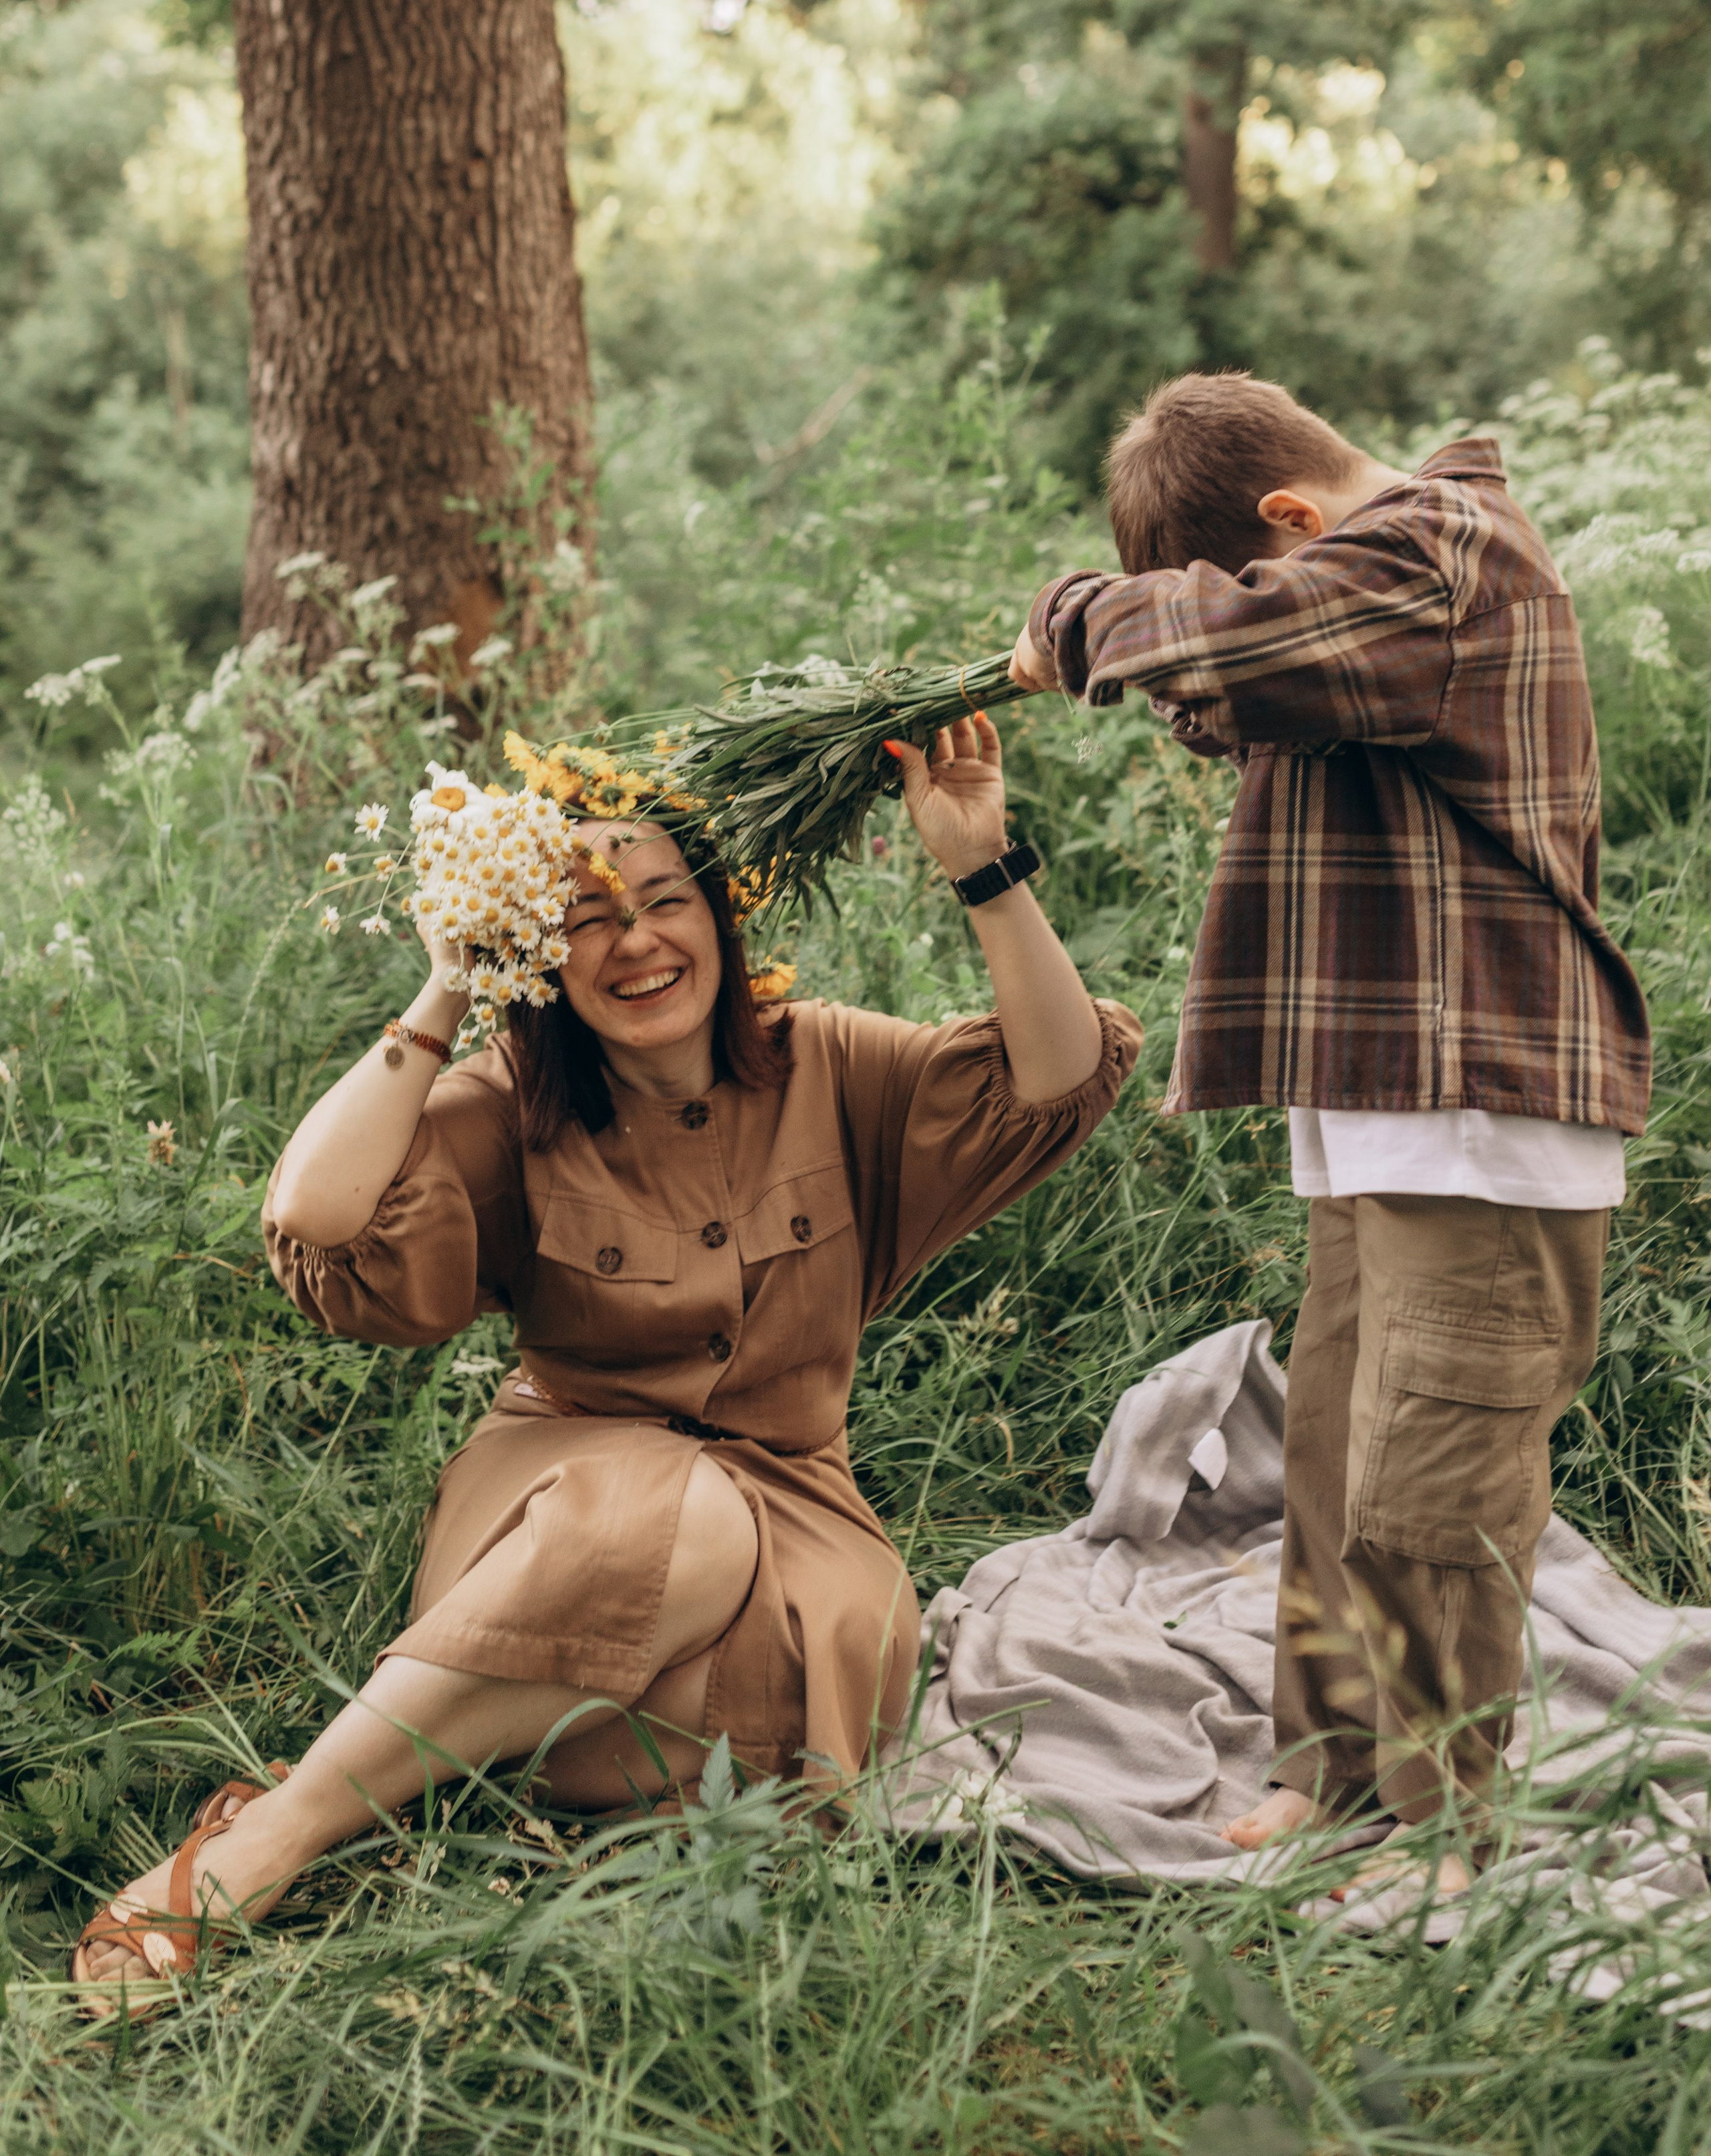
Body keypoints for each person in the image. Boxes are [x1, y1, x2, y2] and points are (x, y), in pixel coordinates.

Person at [72, 710, 1140, 2010]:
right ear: (542, 951)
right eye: (583, 917)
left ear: (720, 915)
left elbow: (1058, 1073)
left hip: (799, 1507)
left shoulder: (830, 1063)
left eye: (663, 901)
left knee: (780, 1705)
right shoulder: (511, 1096)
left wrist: (980, 863)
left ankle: (451, 1761)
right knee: (675, 1529)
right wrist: (450, 983)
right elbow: (316, 1218)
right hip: (558, 1483)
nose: (634, 941)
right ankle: (274, 1839)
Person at [1011, 372, 1650, 1888]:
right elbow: (1236, 698)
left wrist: (1079, 618)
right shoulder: (1369, 609)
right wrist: (1161, 658)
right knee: (1334, 1467)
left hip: (1480, 1118)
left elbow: (1240, 643)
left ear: (1294, 523)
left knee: (1434, 1488)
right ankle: (1334, 1765)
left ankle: (1444, 1823)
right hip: (1380, 1114)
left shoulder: (1440, 547)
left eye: (1261, 574)